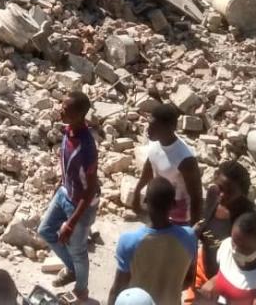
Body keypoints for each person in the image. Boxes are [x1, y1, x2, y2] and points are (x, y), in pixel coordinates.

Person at [37, 92, 101, 302]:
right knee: (45, 231)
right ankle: (72, 269)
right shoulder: (68, 131)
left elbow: (90, 189)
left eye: (67, 108)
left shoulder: (87, 146)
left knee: (78, 249)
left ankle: (82, 290)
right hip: (65, 192)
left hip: (82, 204)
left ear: (80, 114)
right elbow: (68, 167)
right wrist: (59, 186)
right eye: (61, 105)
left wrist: (71, 223)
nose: (61, 110)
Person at [109, 177, 197, 305]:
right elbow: (189, 280)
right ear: (173, 204)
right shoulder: (189, 237)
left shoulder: (129, 241)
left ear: (145, 201)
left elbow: (118, 289)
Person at [185, 161, 256, 304]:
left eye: (230, 191)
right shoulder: (213, 194)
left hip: (227, 282)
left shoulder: (247, 219)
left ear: (243, 193)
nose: (222, 194)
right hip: (202, 269)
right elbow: (203, 223)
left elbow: (247, 261)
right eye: (220, 187)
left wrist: (217, 280)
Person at [131, 103, 202, 226]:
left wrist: (193, 232)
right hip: (157, 209)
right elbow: (149, 167)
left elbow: (196, 196)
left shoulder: (185, 158)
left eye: (154, 126)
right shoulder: (155, 143)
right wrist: (137, 192)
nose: (148, 130)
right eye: (149, 124)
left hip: (179, 216)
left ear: (170, 127)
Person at [195, 213, 256, 305]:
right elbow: (226, 274)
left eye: (244, 247)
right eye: (234, 242)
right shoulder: (226, 246)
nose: (235, 250)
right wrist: (211, 285)